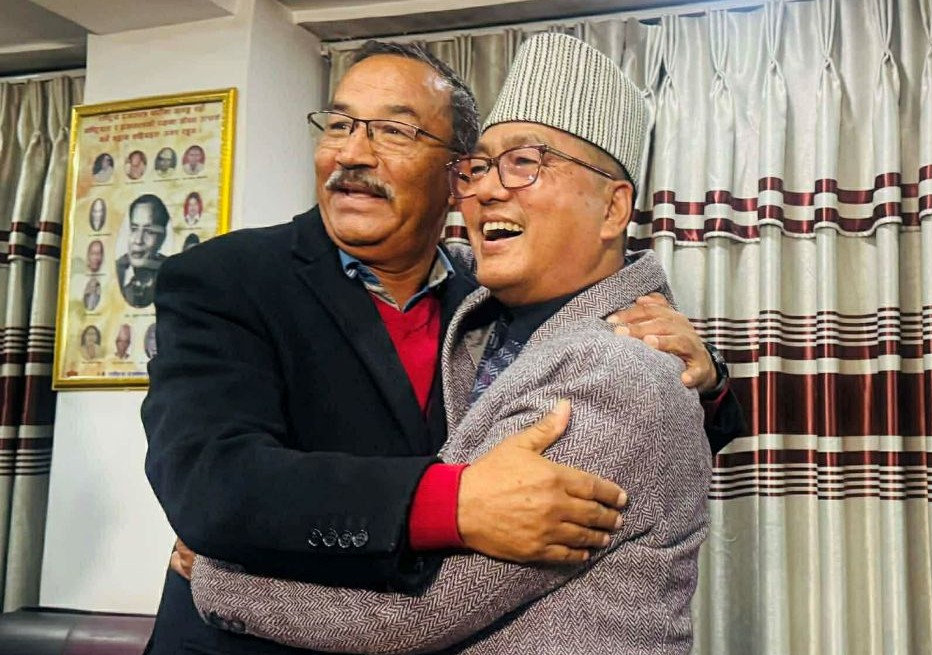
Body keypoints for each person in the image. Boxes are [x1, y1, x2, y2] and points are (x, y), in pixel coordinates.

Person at [142, 39, 741, 655]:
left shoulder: (489, 298)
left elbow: (627, 417)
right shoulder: (229, 278)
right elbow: (209, 480)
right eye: (340, 124)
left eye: (394, 131)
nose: (352, 152)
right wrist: (453, 502)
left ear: (450, 177)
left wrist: (706, 379)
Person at [115, 194, 169, 308]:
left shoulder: (172, 274)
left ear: (162, 238)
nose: (138, 240)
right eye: (134, 229)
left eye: (149, 231)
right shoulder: (115, 273)